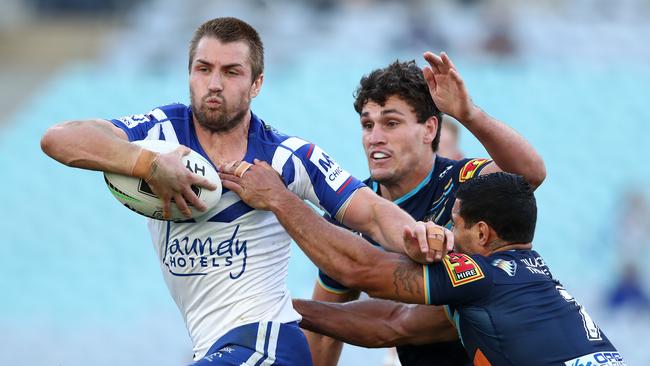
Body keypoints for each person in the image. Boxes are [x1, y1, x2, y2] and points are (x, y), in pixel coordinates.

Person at [40, 17, 444, 365]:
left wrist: (415, 234)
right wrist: (148, 165)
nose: (214, 84)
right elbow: (59, 139)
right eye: (203, 69)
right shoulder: (159, 134)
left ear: (256, 84)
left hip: (267, 341)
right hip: (210, 347)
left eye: (231, 72)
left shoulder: (287, 156)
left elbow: (372, 212)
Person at [219, 170, 626, 366]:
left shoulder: (480, 276)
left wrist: (279, 199)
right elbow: (394, 323)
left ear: (482, 234)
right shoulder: (526, 283)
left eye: (456, 223)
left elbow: (362, 269)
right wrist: (283, 307)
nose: (448, 231)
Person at [309, 55, 546, 366]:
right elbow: (324, 328)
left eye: (391, 123)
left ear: (429, 129)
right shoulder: (350, 213)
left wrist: (470, 114)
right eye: (368, 125)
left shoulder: (463, 182)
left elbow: (530, 175)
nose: (374, 138)